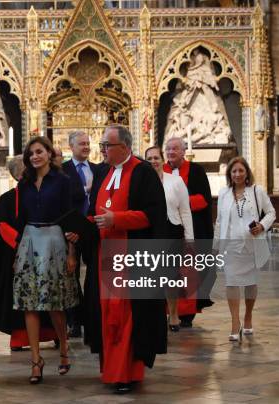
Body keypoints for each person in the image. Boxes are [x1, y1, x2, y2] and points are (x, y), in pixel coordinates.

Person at [84, 125, 168, 394]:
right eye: (103, 145)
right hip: (105, 256)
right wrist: (80, 227)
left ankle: (127, 373)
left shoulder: (143, 172)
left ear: (124, 146)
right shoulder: (101, 172)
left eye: (107, 145)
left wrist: (116, 219)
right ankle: (111, 371)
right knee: (108, 315)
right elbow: (93, 211)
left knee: (128, 315)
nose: (103, 150)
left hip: (132, 255)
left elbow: (153, 216)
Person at [13, 136, 79, 384]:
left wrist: (72, 252)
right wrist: (16, 253)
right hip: (30, 239)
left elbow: (70, 217)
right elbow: (20, 220)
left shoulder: (62, 181)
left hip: (54, 240)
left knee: (55, 304)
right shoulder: (25, 183)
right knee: (29, 304)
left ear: (49, 153)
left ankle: (63, 349)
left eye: (39, 151)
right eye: (31, 153)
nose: (34, 156)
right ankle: (35, 360)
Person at [0, 156, 58, 351]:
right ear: (20, 174)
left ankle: (52, 333)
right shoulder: (7, 199)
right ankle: (20, 337)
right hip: (17, 255)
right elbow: (3, 227)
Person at [214, 157, 275, 342]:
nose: (237, 174)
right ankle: (235, 322)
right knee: (231, 283)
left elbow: (271, 212)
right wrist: (215, 246)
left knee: (250, 283)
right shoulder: (223, 193)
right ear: (229, 174)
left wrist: (262, 225)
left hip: (251, 244)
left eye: (241, 171)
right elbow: (220, 221)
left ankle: (248, 316)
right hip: (231, 245)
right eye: (234, 171)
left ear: (247, 173)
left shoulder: (257, 191)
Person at [163, 136, 214, 328]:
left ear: (184, 151)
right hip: (169, 231)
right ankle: (169, 311)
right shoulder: (160, 171)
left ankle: (187, 313)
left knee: (189, 273)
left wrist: (181, 204)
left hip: (193, 229)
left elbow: (204, 199)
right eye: (168, 149)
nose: (171, 152)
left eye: (175, 149)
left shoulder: (196, 171)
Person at [145, 146, 194, 332]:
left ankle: (173, 314)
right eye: (149, 158)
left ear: (162, 160)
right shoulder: (142, 182)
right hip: (150, 232)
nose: (153, 161)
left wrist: (190, 239)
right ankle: (156, 315)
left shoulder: (176, 181)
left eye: (156, 158)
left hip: (172, 229)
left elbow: (185, 211)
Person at [61, 130, 98, 338]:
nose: (86, 147)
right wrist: (86, 189)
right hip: (71, 231)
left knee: (93, 275)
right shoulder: (63, 170)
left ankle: (92, 317)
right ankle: (73, 321)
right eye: (81, 144)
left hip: (92, 229)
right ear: (71, 147)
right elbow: (63, 201)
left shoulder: (98, 169)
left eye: (87, 143)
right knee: (71, 278)